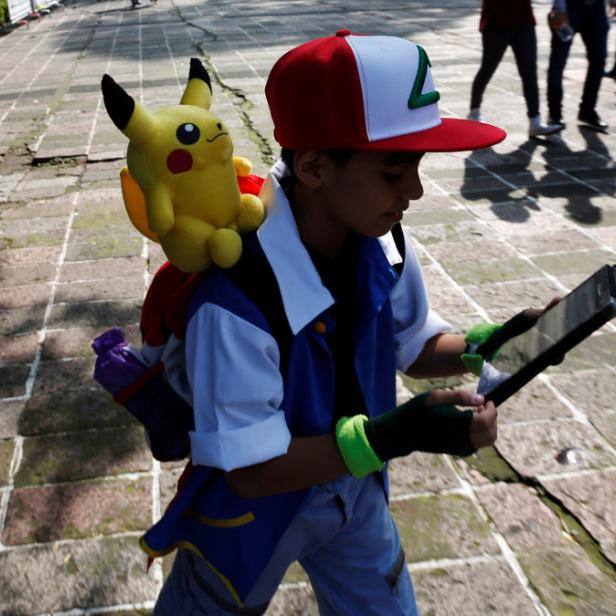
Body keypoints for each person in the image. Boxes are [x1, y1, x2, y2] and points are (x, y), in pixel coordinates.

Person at [145, 31, 525, 615]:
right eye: (395, 172)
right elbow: (250, 470)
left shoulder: (385, 240)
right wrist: (396, 436)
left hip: (354, 487)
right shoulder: (234, 300)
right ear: (316, 167)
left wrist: (490, 343)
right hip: (251, 516)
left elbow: (414, 344)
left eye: (418, 167)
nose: (416, 192)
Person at [468, 0, 561, 138]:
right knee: (488, 68)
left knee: (529, 72)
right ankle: (474, 112)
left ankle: (535, 121)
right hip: (496, 20)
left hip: (524, 21)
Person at [547, 0, 614, 131]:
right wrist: (559, 7)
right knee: (558, 62)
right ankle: (554, 113)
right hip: (569, 7)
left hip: (597, 8)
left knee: (599, 60)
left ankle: (587, 111)